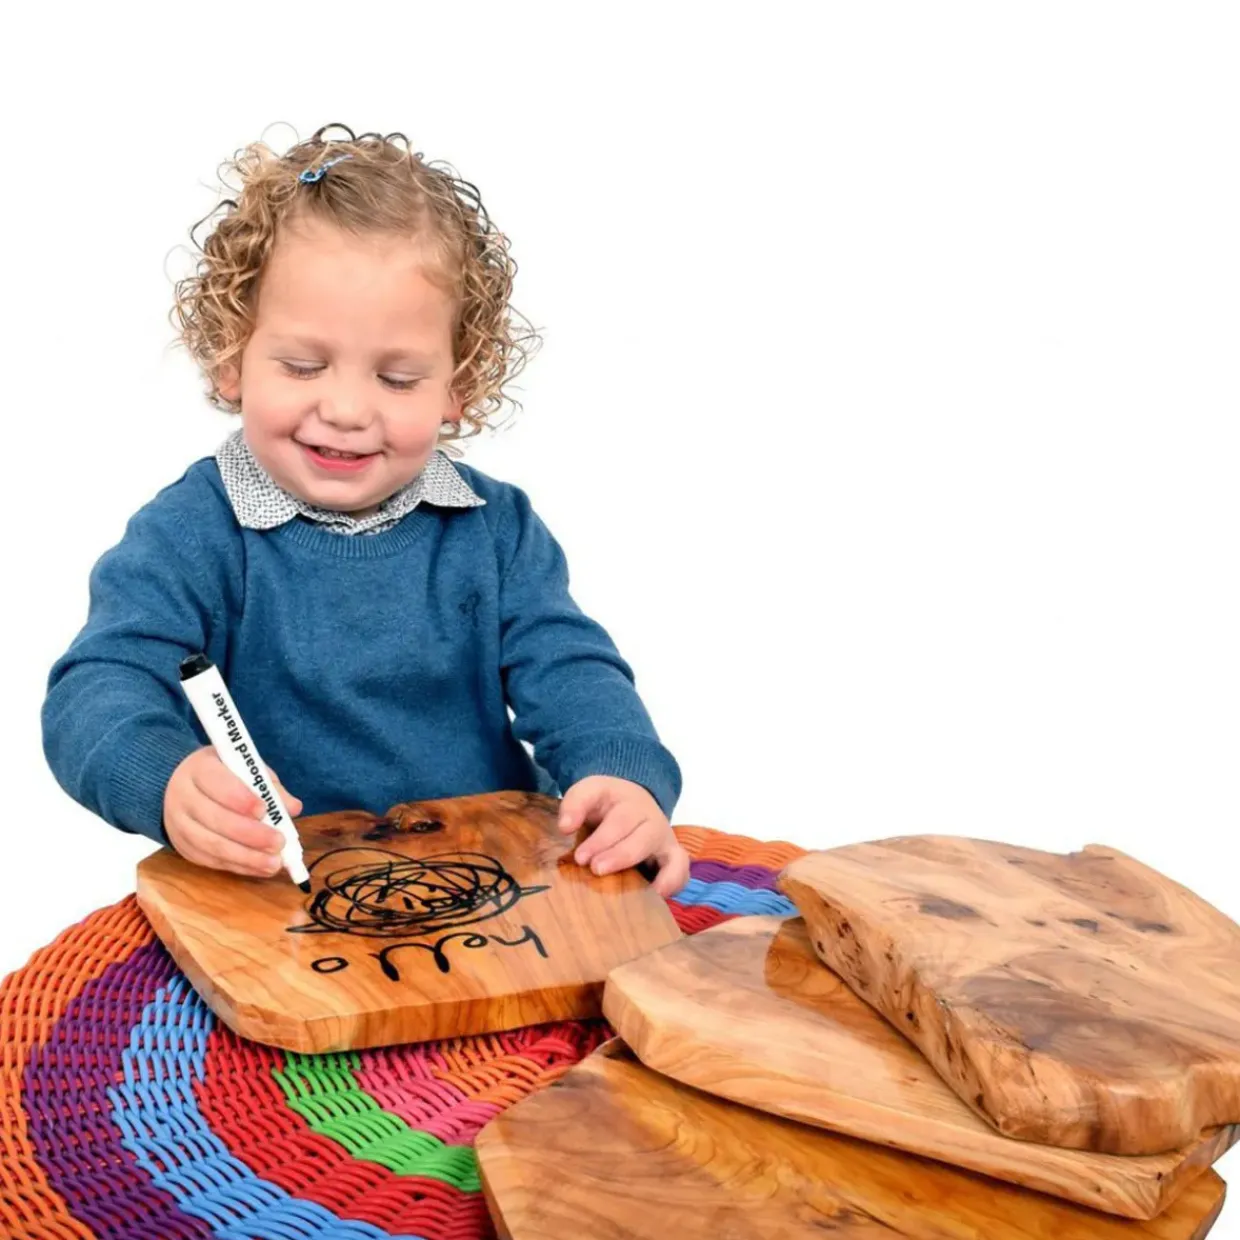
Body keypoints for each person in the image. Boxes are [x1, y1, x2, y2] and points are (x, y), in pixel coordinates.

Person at [41, 123, 689, 897]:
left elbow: (571, 670)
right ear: (230, 357)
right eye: (302, 366)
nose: (346, 410)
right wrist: (167, 777)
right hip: (277, 906)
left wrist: (622, 775)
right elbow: (99, 685)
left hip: (495, 892)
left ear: (459, 384)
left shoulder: (496, 530)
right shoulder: (190, 535)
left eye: (398, 379)